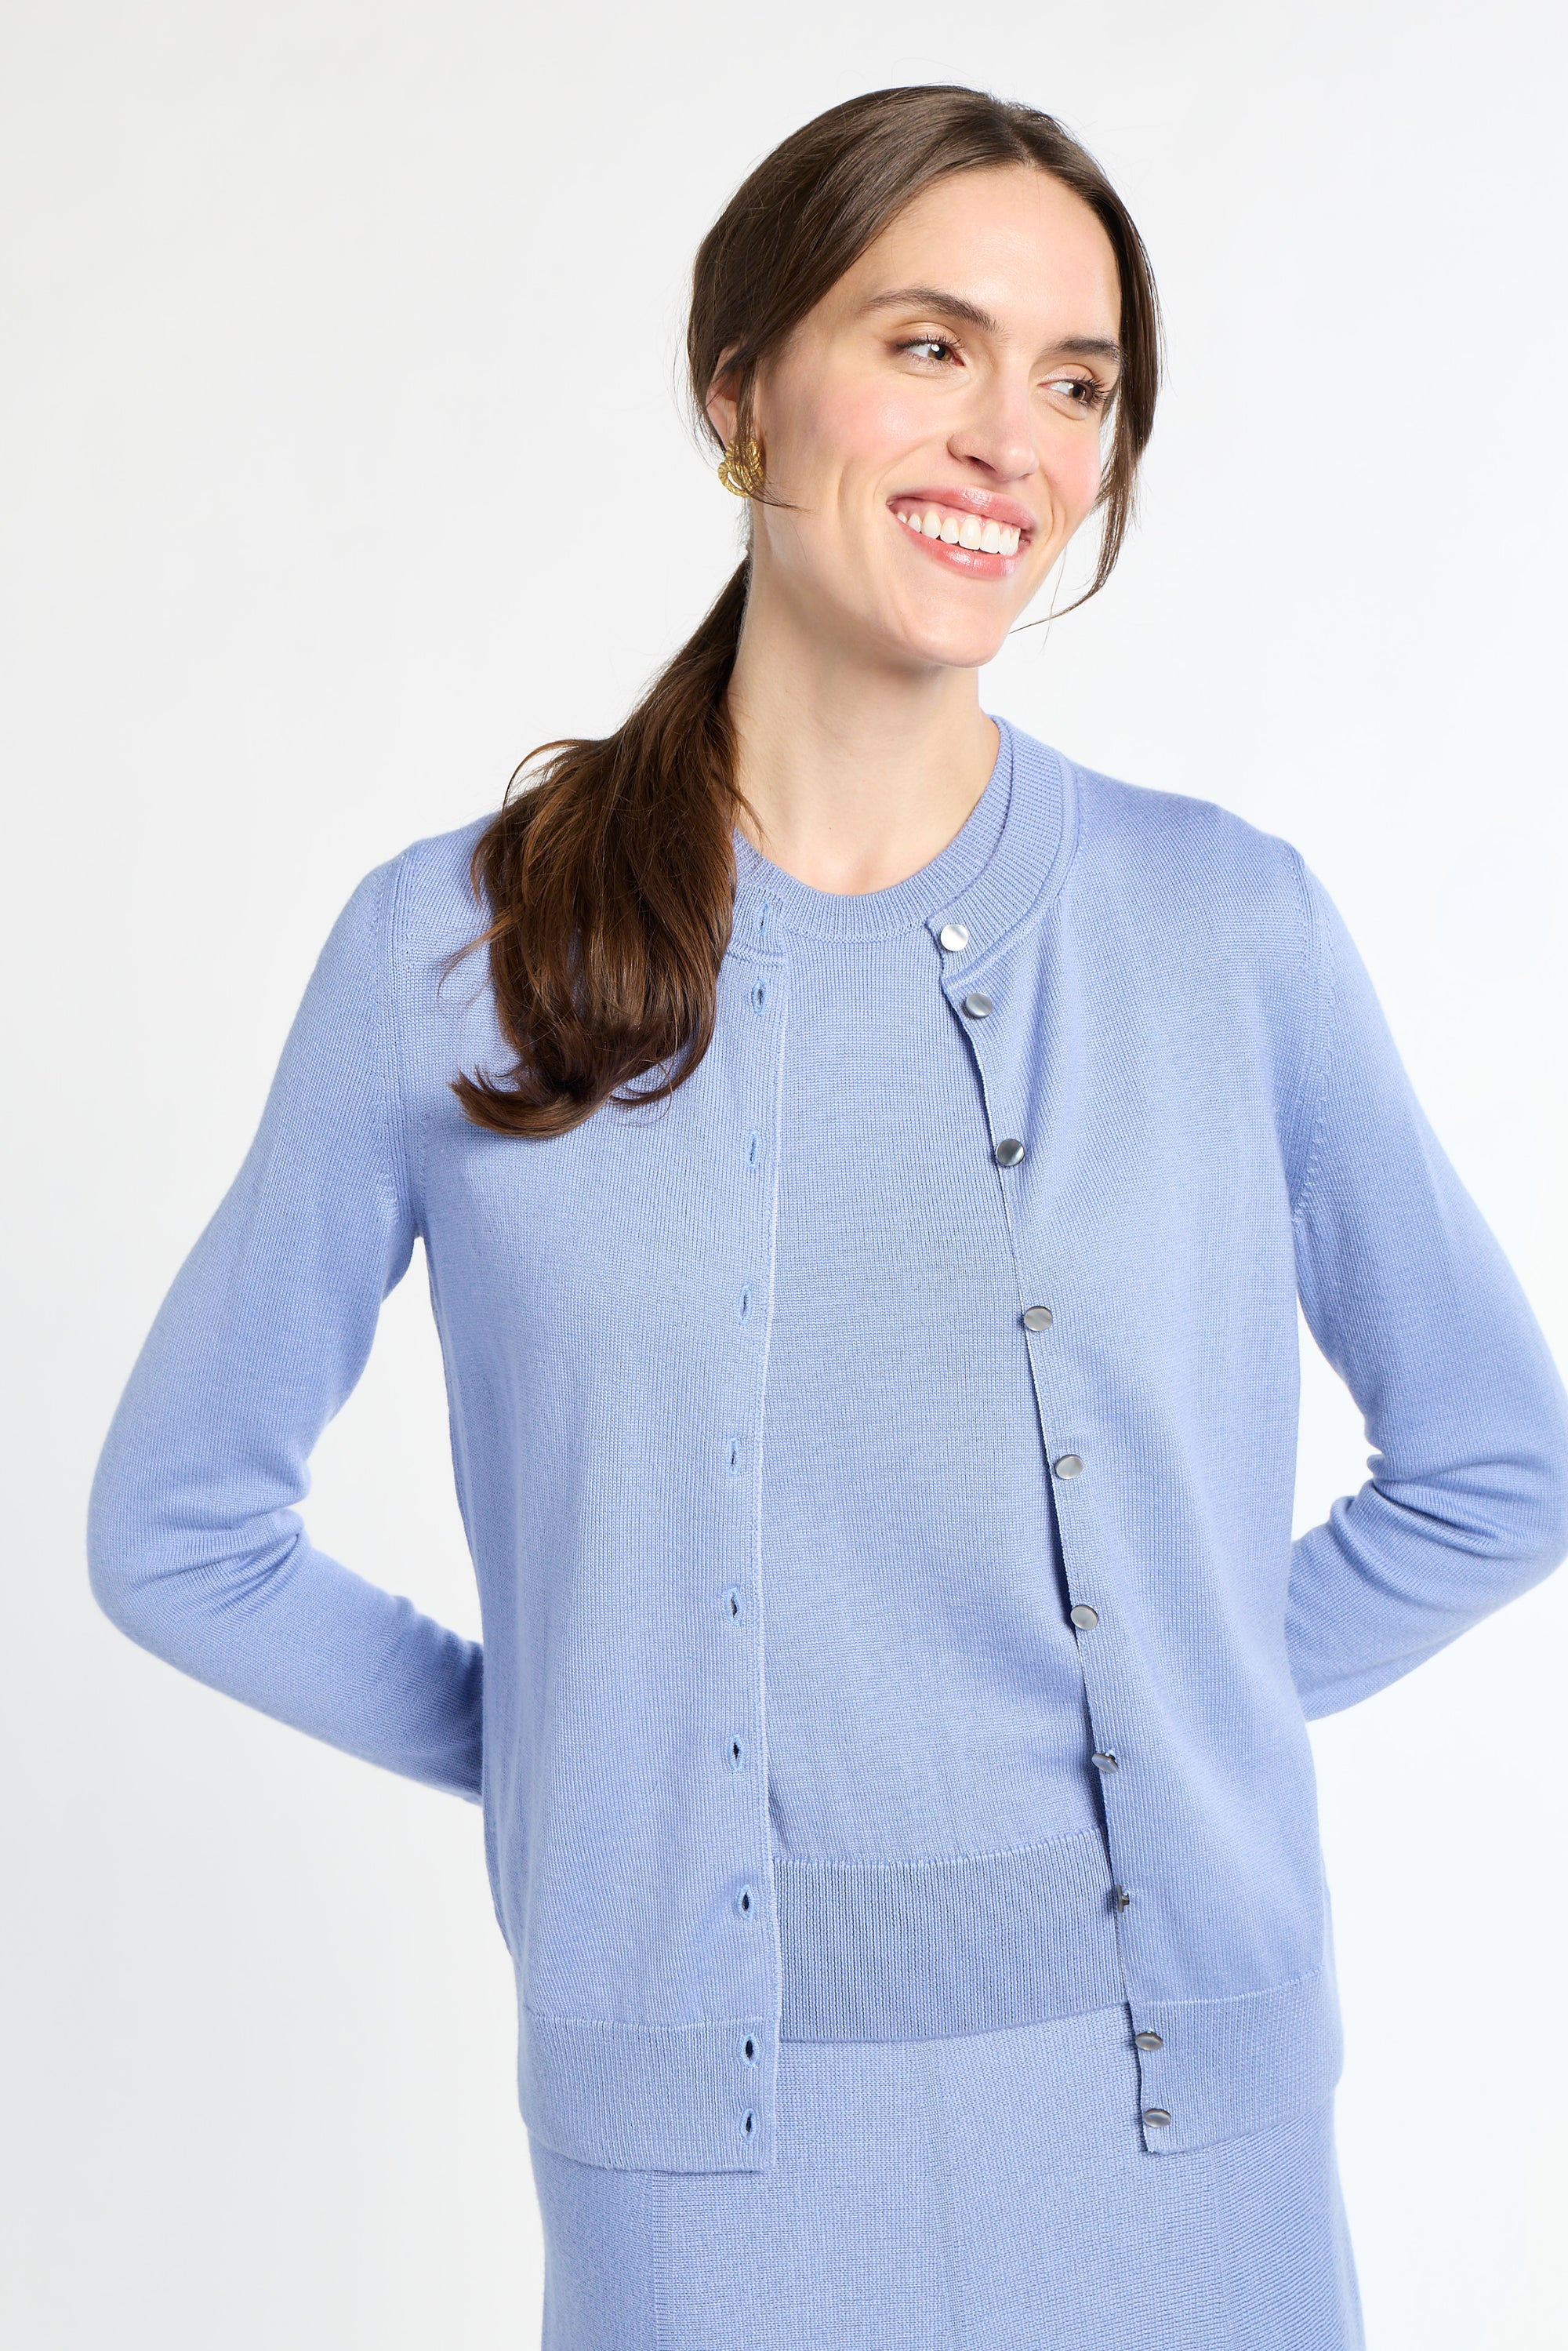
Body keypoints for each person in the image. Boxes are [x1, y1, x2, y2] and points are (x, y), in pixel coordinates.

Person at [87, 83, 1568, 2350]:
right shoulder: (456, 954)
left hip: (1193, 2149)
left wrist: (1179, 1712)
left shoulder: (1228, 930)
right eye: (929, 345)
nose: (1010, 439)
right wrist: (588, 1751)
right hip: (704, 2179)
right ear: (738, 391)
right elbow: (180, 1533)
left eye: (1078, 382)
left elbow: (1498, 1465)